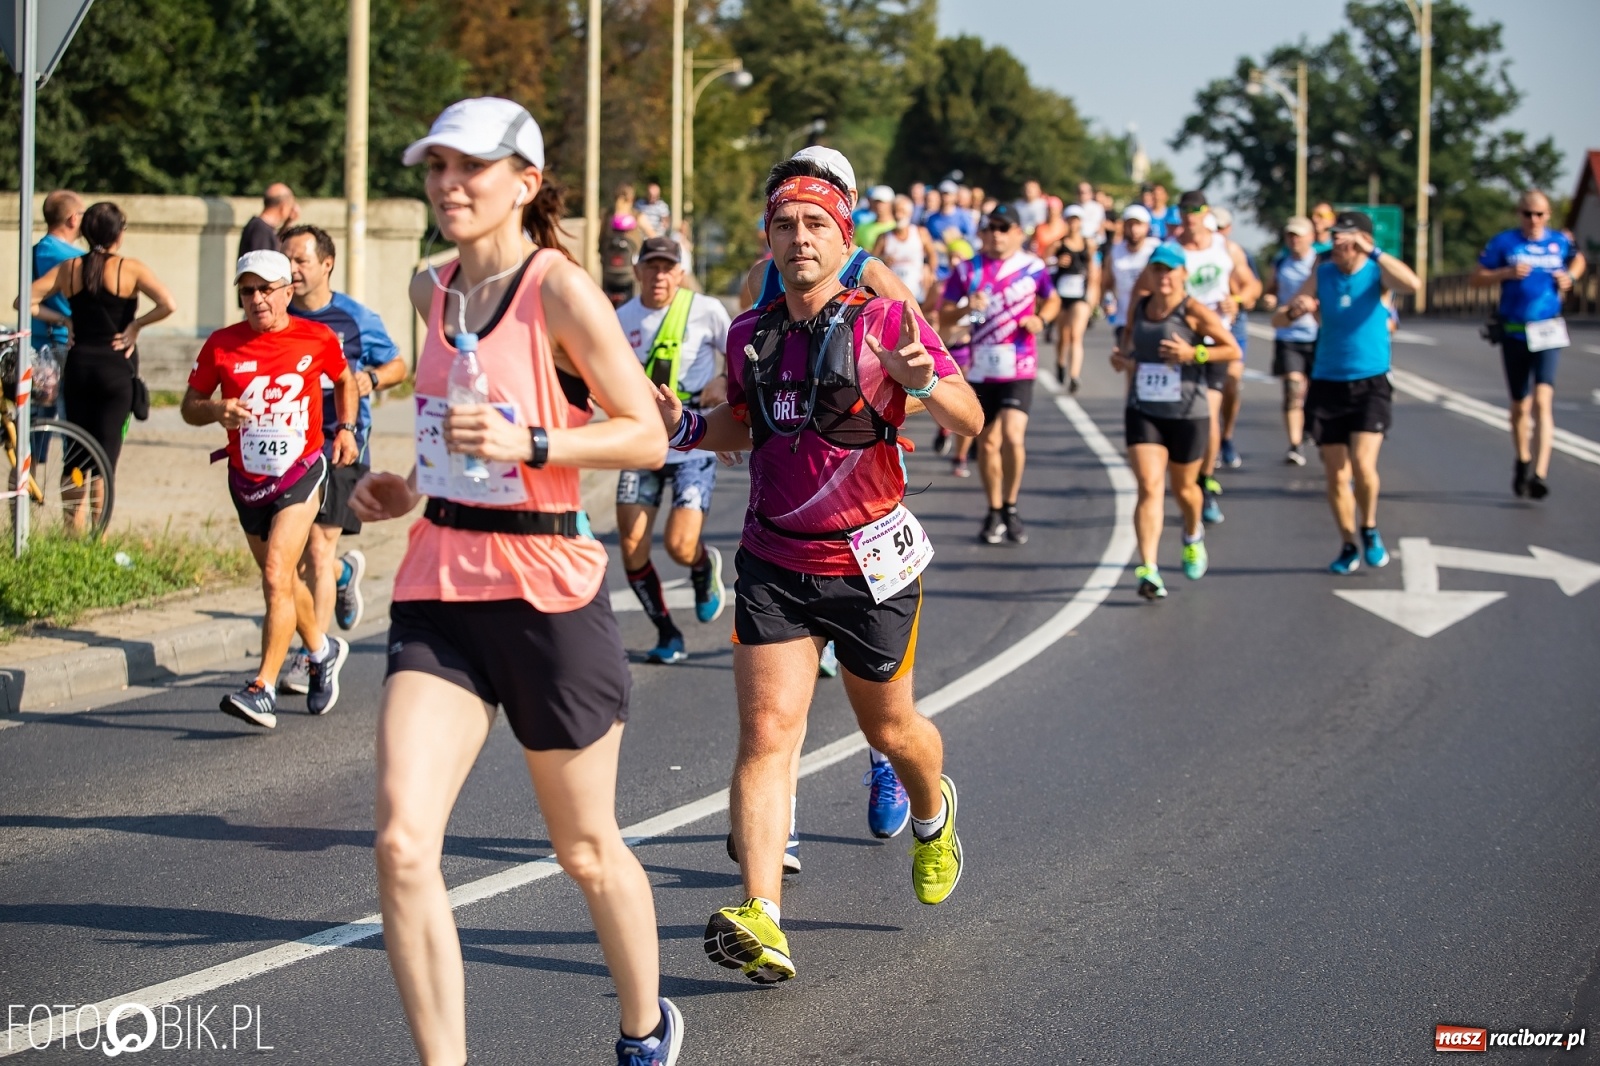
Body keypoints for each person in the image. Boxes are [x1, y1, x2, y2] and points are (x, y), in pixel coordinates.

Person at [349, 97, 683, 1064]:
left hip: (546, 587)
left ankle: (646, 1025)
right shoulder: (429, 287)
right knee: (403, 845)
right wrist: (406, 484)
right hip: (440, 583)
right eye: (437, 167)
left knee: (584, 850)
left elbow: (647, 435)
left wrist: (537, 440)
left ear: (524, 184)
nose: (450, 185)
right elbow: (453, 409)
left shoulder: (559, 291)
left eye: (472, 169)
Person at [658, 157, 983, 985]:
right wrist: (690, 427)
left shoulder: (885, 322)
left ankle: (932, 809)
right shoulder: (748, 334)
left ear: (845, 238)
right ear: (768, 240)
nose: (798, 239)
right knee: (768, 735)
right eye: (783, 225)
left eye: (815, 225)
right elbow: (747, 423)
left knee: (890, 731)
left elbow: (970, 416)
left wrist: (924, 385)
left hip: (870, 565)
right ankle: (762, 916)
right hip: (774, 560)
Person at [181, 249, 356, 725]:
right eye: (247, 291)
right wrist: (217, 411)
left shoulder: (316, 337)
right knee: (282, 579)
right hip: (247, 478)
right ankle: (322, 652)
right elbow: (189, 406)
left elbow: (345, 380)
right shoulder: (221, 344)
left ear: (286, 291)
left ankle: (263, 687)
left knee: (277, 570)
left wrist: (346, 429)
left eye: (265, 290)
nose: (256, 300)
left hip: (301, 470)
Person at [276, 224, 407, 695]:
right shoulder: (277, 314)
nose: (291, 269)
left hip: (341, 443)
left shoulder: (354, 317)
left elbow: (398, 365)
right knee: (297, 558)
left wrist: (368, 380)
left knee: (316, 547)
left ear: (326, 264)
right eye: (285, 259)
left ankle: (315, 656)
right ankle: (346, 574)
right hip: (289, 446)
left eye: (300, 261)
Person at [1273, 210, 1419, 574]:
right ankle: (1348, 543)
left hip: (1370, 381)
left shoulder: (1376, 274)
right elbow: (1278, 319)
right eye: (1335, 236)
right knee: (1336, 474)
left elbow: (1413, 284)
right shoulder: (1321, 273)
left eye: (1345, 238)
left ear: (1362, 242)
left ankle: (1368, 527)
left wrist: (1374, 252)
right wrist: (1296, 310)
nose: (1337, 244)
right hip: (1327, 381)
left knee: (1363, 465)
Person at [615, 235, 732, 664]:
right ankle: (667, 632)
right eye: (651, 266)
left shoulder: (706, 310)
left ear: (680, 273)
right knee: (632, 545)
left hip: (692, 441)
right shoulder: (619, 317)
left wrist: (722, 382)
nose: (659, 275)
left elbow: (736, 356)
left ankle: (702, 568)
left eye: (668, 267)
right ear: (637, 271)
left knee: (680, 546)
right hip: (641, 443)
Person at [1111, 244, 1240, 601]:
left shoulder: (1194, 311)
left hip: (1187, 412)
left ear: (1184, 274)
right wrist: (1123, 360)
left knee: (1184, 490)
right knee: (1150, 486)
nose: (1164, 276)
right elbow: (1131, 349)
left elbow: (1232, 349)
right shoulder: (1140, 307)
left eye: (1171, 270)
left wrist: (1193, 353)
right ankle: (1148, 569)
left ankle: (1192, 532)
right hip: (1144, 408)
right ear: (1149, 274)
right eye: (1157, 269)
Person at [940, 203, 1060, 545]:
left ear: (1018, 233)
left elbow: (1052, 301)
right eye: (990, 227)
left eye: (1003, 228)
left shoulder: (1033, 268)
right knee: (988, 442)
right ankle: (995, 510)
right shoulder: (967, 270)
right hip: (981, 368)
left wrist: (1041, 320)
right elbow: (944, 317)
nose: (995, 234)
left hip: (1019, 364)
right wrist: (966, 308)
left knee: (1013, 436)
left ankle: (1011, 505)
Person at [1138, 191, 1259, 525]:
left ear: (1205, 212)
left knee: (1212, 409)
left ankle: (1203, 482)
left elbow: (1252, 285)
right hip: (1174, 343)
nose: (1191, 215)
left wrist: (1238, 299)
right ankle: (1176, 472)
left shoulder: (1225, 248)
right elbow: (1142, 287)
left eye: (1197, 209)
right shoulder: (1170, 249)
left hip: (1212, 339)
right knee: (1174, 413)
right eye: (1185, 210)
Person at [31, 202, 177, 473]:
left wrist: (64, 319)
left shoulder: (70, 268)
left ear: (85, 232)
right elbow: (168, 304)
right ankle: (98, 517)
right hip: (116, 368)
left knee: (74, 459)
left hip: (79, 367)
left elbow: (25, 301)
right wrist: (136, 325)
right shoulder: (130, 268)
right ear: (119, 233)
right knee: (104, 463)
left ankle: (71, 516)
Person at [1469, 189, 1587, 498]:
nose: (1533, 220)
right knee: (1521, 405)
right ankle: (1522, 459)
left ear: (1548, 215)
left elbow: (1579, 260)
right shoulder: (1505, 242)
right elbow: (1476, 277)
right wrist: (1505, 273)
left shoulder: (1559, 242)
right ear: (1518, 214)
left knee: (1543, 401)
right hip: (1514, 331)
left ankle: (1540, 473)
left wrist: (1570, 278)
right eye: (1527, 214)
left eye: (1539, 214)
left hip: (1548, 330)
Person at [1263, 217, 1320, 465]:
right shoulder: (1281, 261)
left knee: (1317, 393)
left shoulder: (1322, 262)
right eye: (1290, 235)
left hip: (1318, 333)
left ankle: (1311, 426)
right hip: (1289, 335)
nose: (1294, 240)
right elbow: (1271, 288)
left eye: (1299, 235)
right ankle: (1295, 444)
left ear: (1311, 237)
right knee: (1293, 389)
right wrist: (1269, 298)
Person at [29, 191, 85, 446]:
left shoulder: (32, 252)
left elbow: (27, 301)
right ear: (73, 219)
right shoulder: (73, 259)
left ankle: (24, 485)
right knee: (71, 431)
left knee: (31, 435)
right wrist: (65, 321)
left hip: (35, 346)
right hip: (65, 345)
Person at [1209, 206, 1260, 469]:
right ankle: (1207, 442)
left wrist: (1237, 300)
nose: (1215, 233)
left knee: (1231, 380)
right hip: (1202, 326)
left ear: (1228, 229)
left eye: (1220, 228)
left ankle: (1226, 436)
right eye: (1211, 227)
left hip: (1232, 325)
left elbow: (1254, 287)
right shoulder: (1191, 250)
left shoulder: (1233, 252)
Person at [1049, 205, 1100, 392]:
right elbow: (1045, 265)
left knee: (1076, 335)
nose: (1073, 224)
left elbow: (1094, 270)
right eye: (1070, 219)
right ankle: (1061, 363)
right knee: (1063, 336)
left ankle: (1074, 375)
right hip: (1061, 294)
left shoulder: (1089, 244)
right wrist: (1056, 262)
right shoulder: (1058, 244)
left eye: (1076, 219)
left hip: (1080, 293)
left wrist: (1094, 296)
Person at [1104, 205, 1160, 345]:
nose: (1134, 230)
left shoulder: (1155, 249)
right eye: (1130, 225)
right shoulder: (1116, 252)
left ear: (1147, 227)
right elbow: (1107, 283)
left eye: (1138, 225)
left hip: (1151, 318)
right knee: (1127, 362)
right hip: (1124, 318)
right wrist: (1107, 300)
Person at [873, 194, 937, 309]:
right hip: (892, 295)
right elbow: (872, 261)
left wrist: (931, 272)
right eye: (895, 211)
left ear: (910, 213)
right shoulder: (884, 237)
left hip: (918, 293)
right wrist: (882, 260)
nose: (898, 215)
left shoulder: (920, 233)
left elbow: (932, 255)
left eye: (902, 211)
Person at [239, 183, 298, 257]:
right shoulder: (260, 230)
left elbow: (276, 243)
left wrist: (288, 222)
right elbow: (263, 262)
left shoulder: (260, 227)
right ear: (283, 206)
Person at [854, 185, 897, 252]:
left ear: (891, 203)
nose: (878, 205)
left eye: (882, 202)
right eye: (875, 202)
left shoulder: (896, 227)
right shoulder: (862, 227)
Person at [1073, 181, 1107, 250]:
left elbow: (1100, 226)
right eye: (1079, 192)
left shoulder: (1097, 208)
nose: (1081, 195)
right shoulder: (1073, 208)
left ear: (1090, 193)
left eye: (1084, 192)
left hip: (1094, 242)